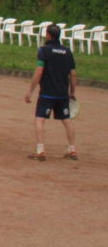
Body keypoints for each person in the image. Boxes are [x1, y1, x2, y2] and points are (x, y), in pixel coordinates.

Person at [24, 24, 78, 161]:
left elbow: (39, 71)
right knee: (67, 120)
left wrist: (30, 90)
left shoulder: (44, 50)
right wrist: (72, 92)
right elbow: (73, 74)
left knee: (40, 119)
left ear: (48, 35)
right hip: (62, 93)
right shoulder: (67, 51)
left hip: (47, 93)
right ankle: (72, 150)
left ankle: (40, 150)